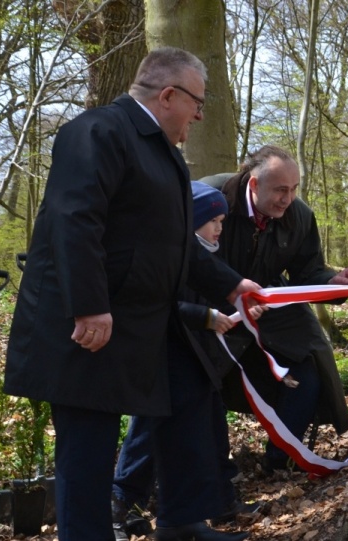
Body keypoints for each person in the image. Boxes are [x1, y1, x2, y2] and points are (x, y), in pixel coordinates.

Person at [3, 47, 259, 541]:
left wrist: (231, 284)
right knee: (88, 445)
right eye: (197, 103)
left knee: (189, 388)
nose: (201, 114)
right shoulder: (99, 132)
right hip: (89, 325)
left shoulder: (163, 154)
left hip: (143, 319)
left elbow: (173, 245)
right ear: (168, 96)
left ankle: (182, 520)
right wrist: (90, 306)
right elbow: (73, 220)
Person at [111, 182, 261, 539]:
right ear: (192, 219)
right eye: (213, 220)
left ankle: (210, 504)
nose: (220, 228)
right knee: (148, 432)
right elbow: (160, 303)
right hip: (161, 358)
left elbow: (217, 292)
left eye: (223, 219)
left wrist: (243, 307)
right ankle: (119, 505)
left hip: (196, 359)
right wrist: (205, 317)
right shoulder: (170, 255)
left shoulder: (206, 257)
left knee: (208, 427)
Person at [213, 145, 348, 473]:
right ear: (254, 185)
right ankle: (203, 473)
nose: (288, 198)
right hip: (208, 305)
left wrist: (335, 282)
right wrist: (224, 301)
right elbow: (182, 264)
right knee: (196, 379)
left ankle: (281, 459)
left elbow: (308, 273)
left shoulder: (300, 216)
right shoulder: (211, 198)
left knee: (309, 369)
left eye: (294, 189)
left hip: (271, 304)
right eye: (281, 190)